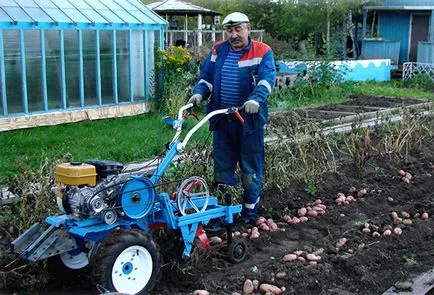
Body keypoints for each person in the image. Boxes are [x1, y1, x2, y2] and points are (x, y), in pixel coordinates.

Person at [188, 12, 276, 224]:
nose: (234, 34)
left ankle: (248, 212)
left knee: (250, 167)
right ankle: (222, 212)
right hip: (222, 120)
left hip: (248, 122)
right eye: (230, 30)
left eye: (238, 29)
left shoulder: (262, 51)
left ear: (248, 28)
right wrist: (199, 93)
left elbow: (267, 79)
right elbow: (207, 78)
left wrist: (256, 99)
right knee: (223, 168)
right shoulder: (218, 50)